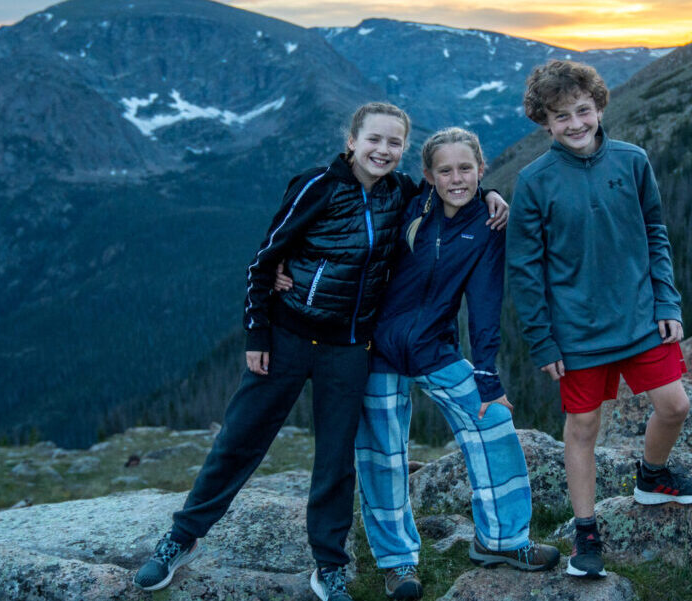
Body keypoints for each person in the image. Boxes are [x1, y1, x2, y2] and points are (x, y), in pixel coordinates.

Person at [132, 102, 508, 601]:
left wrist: (490, 195)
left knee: (335, 461)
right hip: (288, 338)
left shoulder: (404, 194)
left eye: (394, 143)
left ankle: (328, 565)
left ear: (403, 152)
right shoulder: (317, 185)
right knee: (240, 441)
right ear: (351, 140)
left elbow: (450, 192)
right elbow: (263, 260)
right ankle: (181, 538)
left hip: (350, 348)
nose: (383, 150)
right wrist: (257, 333)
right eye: (374, 139)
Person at [506, 60, 692, 579]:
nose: (575, 123)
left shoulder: (633, 160)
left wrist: (667, 302)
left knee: (675, 405)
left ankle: (653, 475)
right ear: (543, 122)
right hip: (576, 331)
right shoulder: (533, 182)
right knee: (583, 427)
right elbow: (525, 272)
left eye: (582, 110)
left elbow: (655, 232)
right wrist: (543, 341)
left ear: (598, 106)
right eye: (560, 116)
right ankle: (587, 534)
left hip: (641, 316)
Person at [341, 128, 561, 599]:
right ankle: (398, 563)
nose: (456, 178)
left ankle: (502, 540)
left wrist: (486, 376)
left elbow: (483, 305)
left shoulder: (488, 226)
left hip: (433, 349)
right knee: (383, 455)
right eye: (445, 170)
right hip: (375, 349)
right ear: (428, 175)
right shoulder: (406, 202)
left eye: (466, 169)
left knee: (493, 420)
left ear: (482, 170)